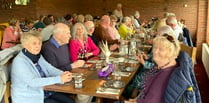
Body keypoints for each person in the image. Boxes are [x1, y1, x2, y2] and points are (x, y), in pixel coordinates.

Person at [124, 34, 201, 103]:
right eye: (155, 48)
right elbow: (144, 90)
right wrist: (135, 99)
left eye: (160, 49)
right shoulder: (160, 67)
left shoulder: (165, 75)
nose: (155, 51)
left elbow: (151, 100)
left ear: (171, 53)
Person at [11, 30, 74, 103]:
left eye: (39, 43)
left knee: (70, 101)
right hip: (30, 97)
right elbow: (33, 82)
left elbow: (50, 69)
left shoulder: (38, 56)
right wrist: (59, 79)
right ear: (25, 45)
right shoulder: (19, 61)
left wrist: (64, 74)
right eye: (34, 43)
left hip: (44, 92)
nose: (38, 46)